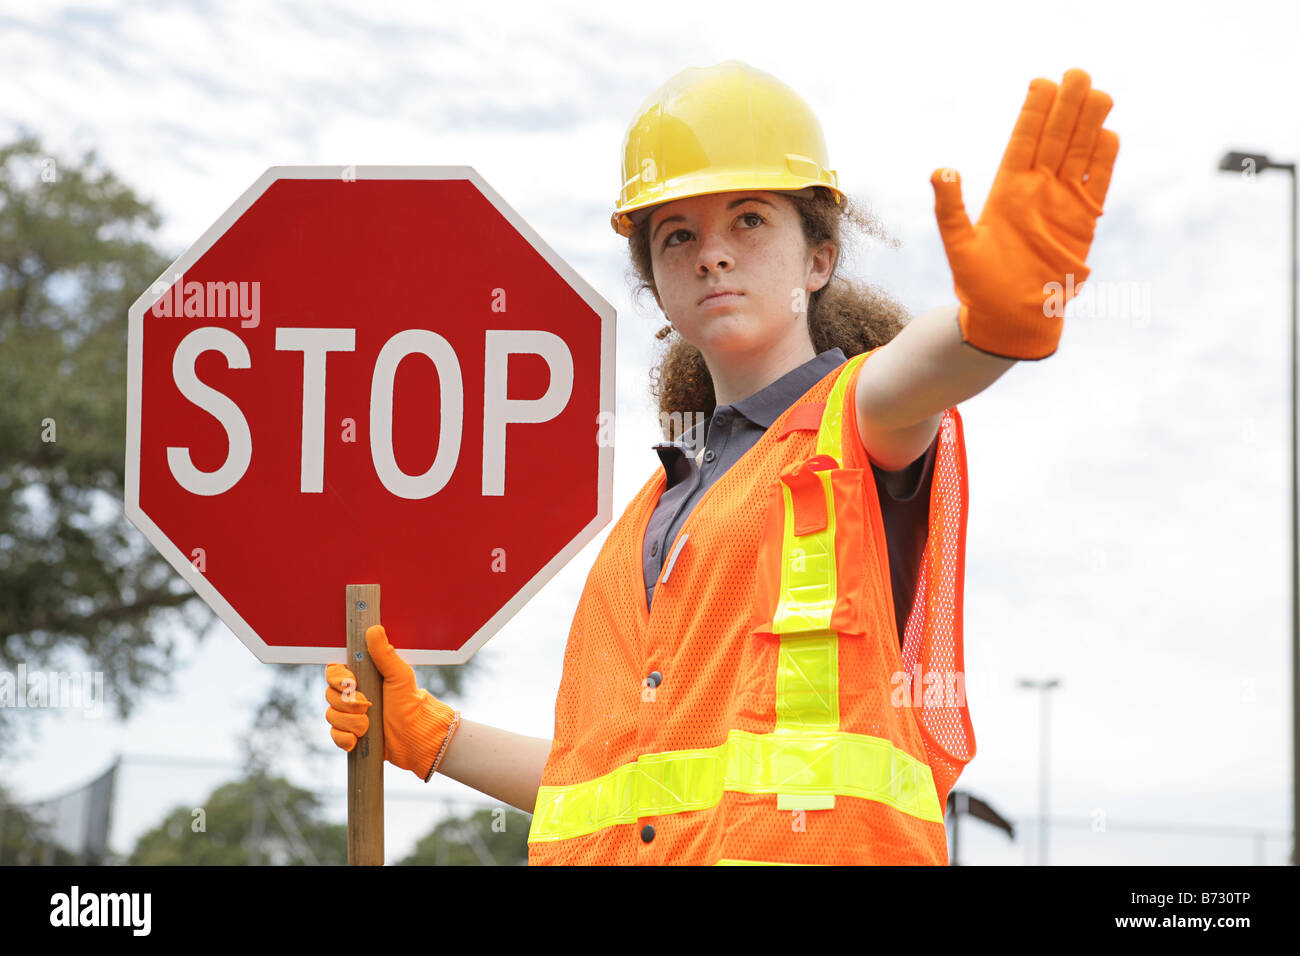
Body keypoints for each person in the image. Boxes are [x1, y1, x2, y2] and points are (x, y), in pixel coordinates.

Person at [325, 60, 1118, 865]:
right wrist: (433, 736)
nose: (713, 255)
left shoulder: (856, 418)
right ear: (657, 287)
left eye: (748, 221)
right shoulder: (648, 516)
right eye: (679, 235)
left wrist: (999, 321)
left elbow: (932, 367)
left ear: (818, 259)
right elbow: (607, 788)